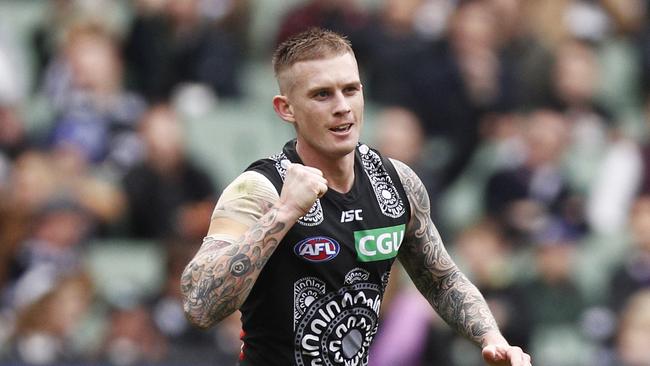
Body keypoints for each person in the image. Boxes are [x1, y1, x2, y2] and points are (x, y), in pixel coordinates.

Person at [180, 28, 531, 366]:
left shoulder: (397, 182)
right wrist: (284, 212)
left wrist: (490, 338)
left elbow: (441, 279)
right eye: (322, 94)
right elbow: (199, 305)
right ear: (286, 109)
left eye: (350, 90)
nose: (342, 107)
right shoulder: (259, 189)